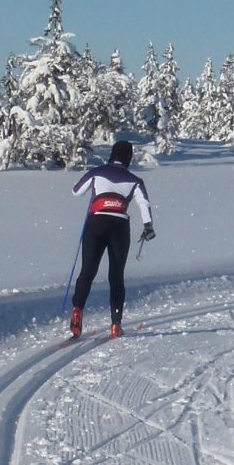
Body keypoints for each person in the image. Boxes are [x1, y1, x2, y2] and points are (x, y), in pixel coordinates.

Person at [69, 137, 154, 337]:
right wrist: (148, 226)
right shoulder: (135, 181)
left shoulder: (97, 172)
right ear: (128, 159)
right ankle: (116, 323)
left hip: (96, 223)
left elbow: (76, 192)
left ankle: (77, 310)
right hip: (119, 227)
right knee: (116, 276)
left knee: (87, 271)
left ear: (112, 155)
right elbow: (144, 204)